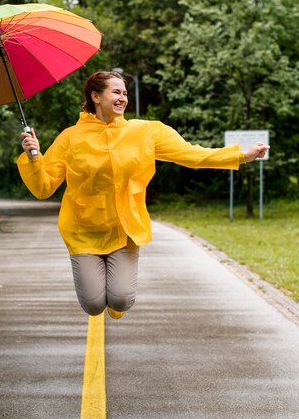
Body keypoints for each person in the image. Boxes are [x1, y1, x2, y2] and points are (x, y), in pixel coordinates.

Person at [17, 70, 269, 320]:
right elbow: (44, 187)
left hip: (125, 230)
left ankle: (119, 297)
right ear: (95, 96)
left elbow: (192, 155)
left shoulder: (144, 132)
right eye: (116, 92)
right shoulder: (70, 138)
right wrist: (34, 157)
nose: (123, 98)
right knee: (93, 306)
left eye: (125, 93)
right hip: (83, 231)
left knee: (120, 299)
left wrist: (240, 156)